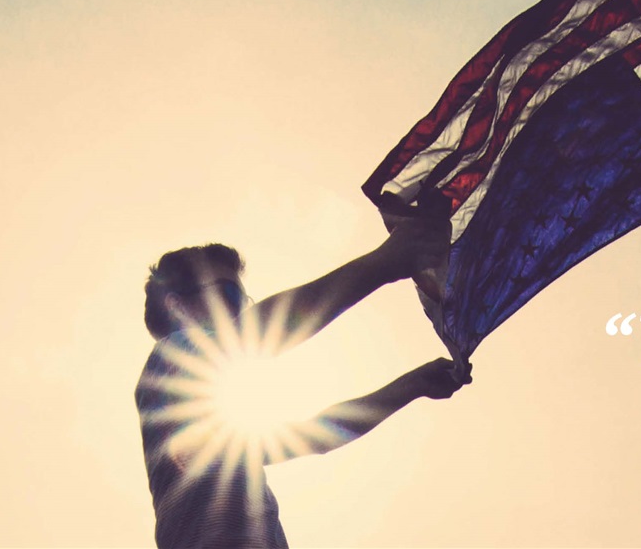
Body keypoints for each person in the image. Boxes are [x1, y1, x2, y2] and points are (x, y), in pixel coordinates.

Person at [136, 212, 464, 548]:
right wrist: (385, 263)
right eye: (229, 297)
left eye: (243, 303)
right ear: (177, 306)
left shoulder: (223, 443)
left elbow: (316, 435)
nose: (239, 315)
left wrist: (412, 386)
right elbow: (263, 330)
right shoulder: (169, 359)